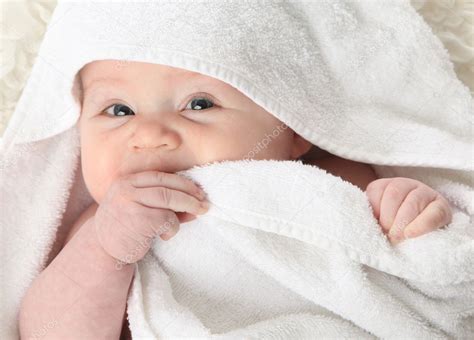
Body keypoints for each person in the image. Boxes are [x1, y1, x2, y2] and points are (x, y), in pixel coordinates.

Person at [19, 59, 453, 339]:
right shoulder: (104, 227)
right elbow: (47, 332)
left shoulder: (337, 181)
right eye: (118, 111)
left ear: (294, 125)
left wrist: (409, 211)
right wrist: (105, 251)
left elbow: (427, 274)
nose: (149, 135)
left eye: (200, 103)